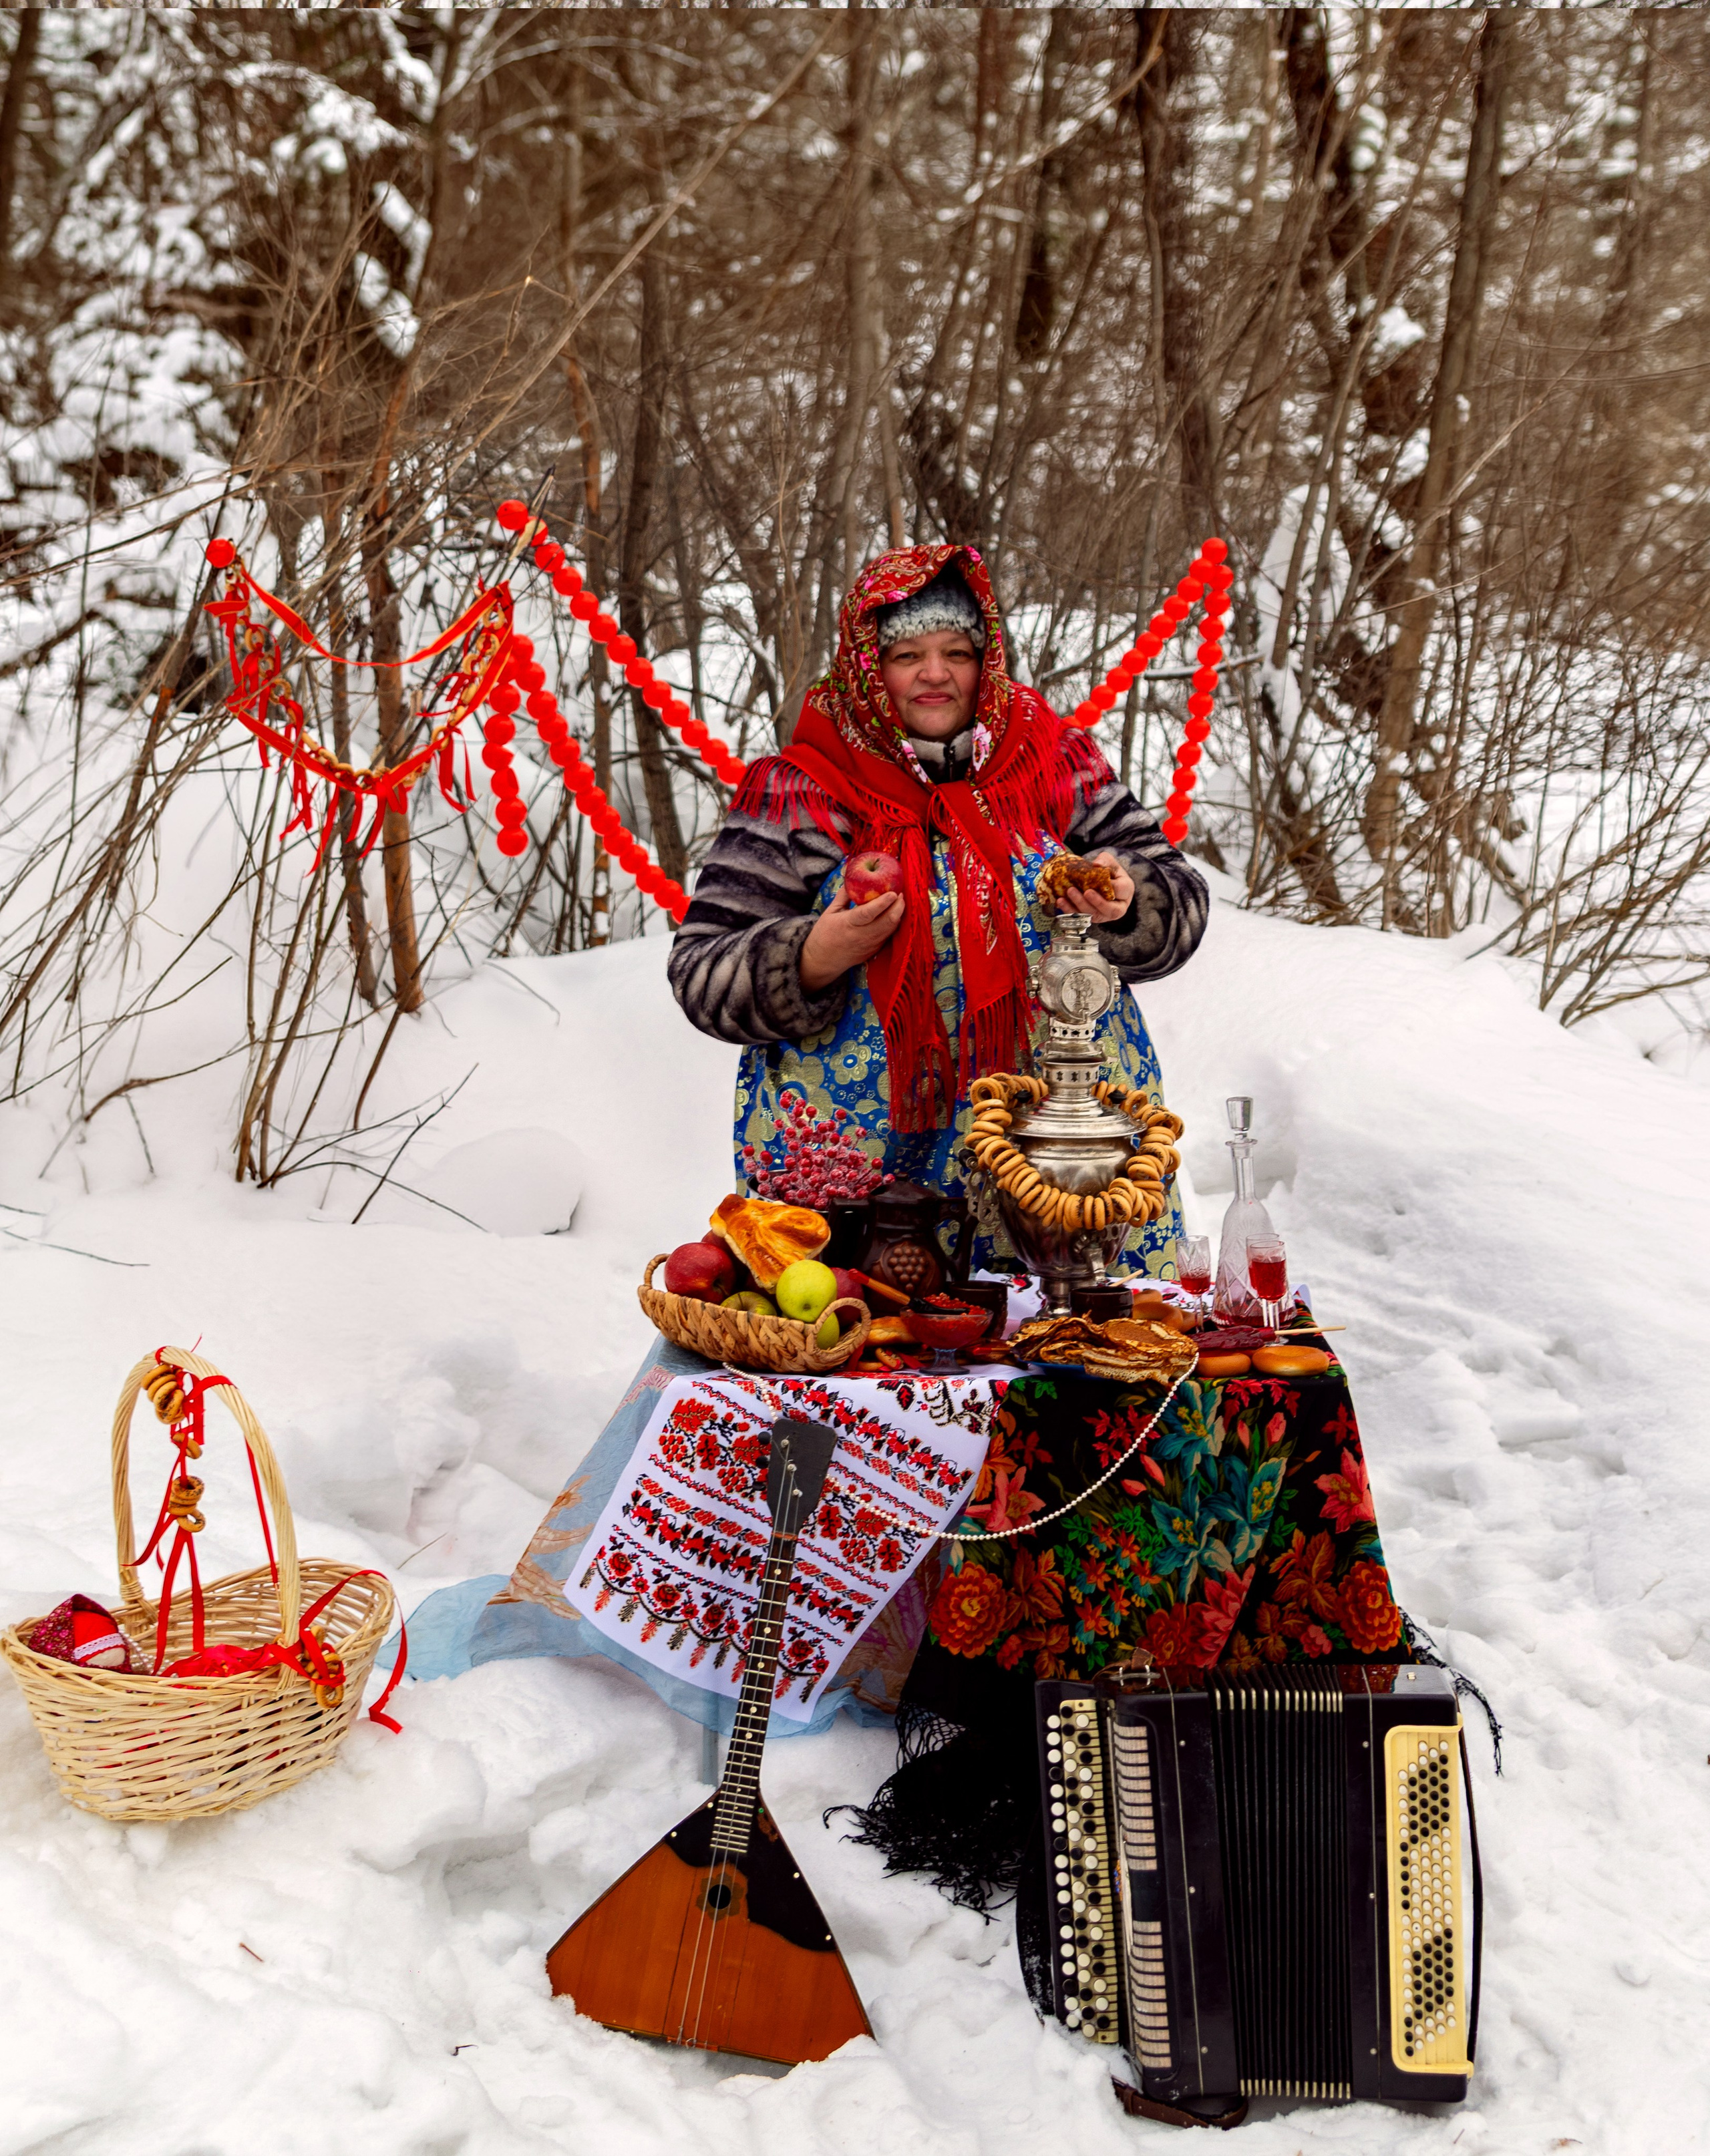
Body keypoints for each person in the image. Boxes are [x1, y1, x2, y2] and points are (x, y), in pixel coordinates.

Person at [667, 543, 1208, 1274]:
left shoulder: (1053, 763)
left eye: (956, 651)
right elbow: (700, 970)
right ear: (866, 664)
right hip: (865, 1179)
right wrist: (811, 956)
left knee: (1083, 1360)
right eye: (906, 654)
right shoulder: (799, 789)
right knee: (879, 1364)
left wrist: (1127, 895)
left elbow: (1180, 903)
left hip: (1061, 1141)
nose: (934, 673)